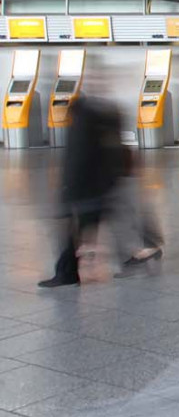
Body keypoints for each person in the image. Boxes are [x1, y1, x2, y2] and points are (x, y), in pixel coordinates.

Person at [39, 83, 131, 287]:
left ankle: (67, 273)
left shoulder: (81, 125)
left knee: (74, 232)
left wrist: (66, 193)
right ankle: (132, 257)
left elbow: (75, 162)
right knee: (96, 227)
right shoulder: (102, 122)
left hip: (85, 193)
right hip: (99, 191)